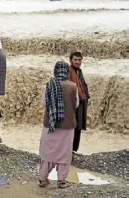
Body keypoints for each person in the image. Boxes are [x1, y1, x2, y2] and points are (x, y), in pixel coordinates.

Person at [38, 61, 79, 189]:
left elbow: (44, 103)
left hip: (50, 124)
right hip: (67, 125)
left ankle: (43, 179)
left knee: (47, 151)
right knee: (64, 152)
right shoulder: (73, 86)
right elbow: (76, 104)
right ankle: (61, 181)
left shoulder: (50, 84)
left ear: (55, 71)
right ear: (67, 71)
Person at [68, 52, 89, 155]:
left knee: (78, 127)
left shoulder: (79, 72)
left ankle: (73, 150)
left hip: (80, 103)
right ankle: (68, 150)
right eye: (75, 59)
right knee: (72, 127)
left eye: (79, 60)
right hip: (73, 105)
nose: (77, 62)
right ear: (71, 60)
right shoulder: (69, 71)